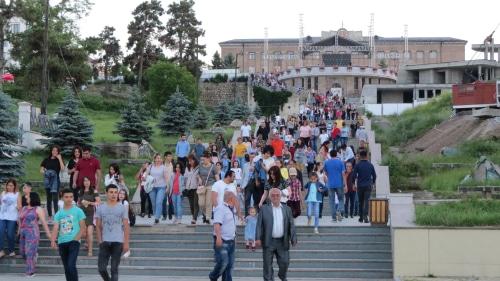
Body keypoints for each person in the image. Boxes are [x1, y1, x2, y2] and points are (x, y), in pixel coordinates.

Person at [255, 188, 297, 281]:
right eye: (273, 195)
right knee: (267, 265)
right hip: (268, 241)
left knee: (285, 262)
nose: (275, 197)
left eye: (277, 195)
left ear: (280, 196)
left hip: (282, 241)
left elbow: (291, 225)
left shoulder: (287, 209)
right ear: (269, 197)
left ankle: (282, 276)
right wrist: (257, 238)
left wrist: (293, 238)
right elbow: (259, 225)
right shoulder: (264, 209)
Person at [96, 184, 130, 281]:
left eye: (115, 192)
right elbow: (98, 226)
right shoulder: (101, 208)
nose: (113, 194)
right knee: (101, 268)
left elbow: (126, 226)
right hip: (105, 241)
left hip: (118, 241)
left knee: (114, 269)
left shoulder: (122, 208)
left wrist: (126, 243)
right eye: (111, 192)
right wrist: (99, 241)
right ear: (106, 193)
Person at [50, 188, 86, 281]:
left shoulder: (78, 211)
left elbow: (83, 227)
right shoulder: (58, 213)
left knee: (71, 265)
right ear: (62, 198)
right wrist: (53, 240)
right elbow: (55, 228)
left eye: (71, 197)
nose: (69, 199)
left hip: (74, 242)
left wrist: (75, 239)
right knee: (66, 268)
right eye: (66, 197)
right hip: (62, 242)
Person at [19, 192, 51, 276]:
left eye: (28, 196)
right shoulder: (24, 208)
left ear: (32, 198)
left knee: (29, 252)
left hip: (32, 233)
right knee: (22, 252)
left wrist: (48, 234)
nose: (26, 197)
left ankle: (30, 272)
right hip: (23, 233)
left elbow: (44, 222)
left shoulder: (38, 209)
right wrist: (19, 231)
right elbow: (20, 220)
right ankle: (34, 256)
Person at [209, 192, 238, 281]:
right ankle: (213, 276)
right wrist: (218, 237)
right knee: (223, 263)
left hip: (231, 241)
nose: (236, 201)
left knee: (229, 266)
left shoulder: (230, 209)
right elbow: (217, 223)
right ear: (231, 199)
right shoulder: (221, 208)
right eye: (235, 199)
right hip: (222, 240)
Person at [40, 145, 65, 220]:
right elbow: (41, 169)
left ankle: (57, 215)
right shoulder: (46, 160)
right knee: (49, 198)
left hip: (56, 181)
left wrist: (60, 158)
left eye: (56, 151)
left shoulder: (58, 160)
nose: (55, 152)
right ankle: (50, 215)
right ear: (51, 151)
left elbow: (63, 169)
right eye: (53, 150)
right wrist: (44, 171)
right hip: (47, 180)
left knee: (55, 198)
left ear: (58, 152)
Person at [352, 150, 377, 223]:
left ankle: (360, 217)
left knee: (360, 202)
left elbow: (354, 176)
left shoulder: (357, 165)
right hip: (368, 186)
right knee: (366, 201)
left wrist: (353, 184)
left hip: (360, 186)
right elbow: (374, 176)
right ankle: (365, 216)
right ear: (366, 156)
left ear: (360, 156)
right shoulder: (370, 165)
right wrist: (373, 183)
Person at [79, 177, 100, 256]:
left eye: (88, 180)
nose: (86, 182)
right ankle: (87, 242)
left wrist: (89, 203)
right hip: (82, 214)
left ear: (91, 182)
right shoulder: (80, 191)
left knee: (90, 233)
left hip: (90, 214)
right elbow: (79, 203)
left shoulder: (94, 191)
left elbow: (98, 202)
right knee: (84, 233)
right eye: (84, 181)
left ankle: (90, 251)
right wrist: (81, 204)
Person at [323, 150, 347, 222]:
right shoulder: (341, 162)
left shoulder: (326, 162)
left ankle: (334, 218)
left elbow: (326, 173)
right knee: (341, 199)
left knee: (331, 201)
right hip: (339, 183)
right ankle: (339, 210)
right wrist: (345, 184)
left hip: (330, 184)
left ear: (330, 154)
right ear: (336, 154)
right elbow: (343, 174)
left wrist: (329, 178)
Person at [0, 179, 20, 258]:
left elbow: (19, 206)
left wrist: (13, 204)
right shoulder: (3, 193)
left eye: (11, 185)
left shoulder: (17, 194)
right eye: (8, 185)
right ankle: (1, 251)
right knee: (1, 233)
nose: (9, 187)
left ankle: (11, 250)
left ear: (14, 186)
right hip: (2, 216)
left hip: (12, 217)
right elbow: (1, 203)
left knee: (10, 234)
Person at [147, 154, 169, 224]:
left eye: (160, 158)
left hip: (161, 187)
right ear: (155, 159)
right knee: (154, 203)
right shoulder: (150, 167)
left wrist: (167, 187)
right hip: (152, 187)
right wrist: (144, 177)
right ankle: (156, 215)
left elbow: (166, 178)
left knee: (159, 202)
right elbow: (146, 175)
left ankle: (157, 218)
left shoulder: (163, 167)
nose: (159, 159)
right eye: (157, 158)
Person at [197, 152, 219, 224]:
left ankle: (208, 218)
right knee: (201, 203)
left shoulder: (213, 167)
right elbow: (198, 174)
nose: (203, 161)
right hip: (202, 186)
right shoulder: (200, 166)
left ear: (209, 159)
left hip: (211, 186)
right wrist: (199, 178)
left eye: (204, 159)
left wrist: (219, 186)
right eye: (202, 160)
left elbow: (217, 177)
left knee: (208, 203)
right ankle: (205, 214)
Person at [184, 155, 200, 224]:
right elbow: (185, 177)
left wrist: (199, 178)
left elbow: (200, 176)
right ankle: (194, 215)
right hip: (189, 188)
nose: (190, 162)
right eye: (189, 161)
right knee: (191, 204)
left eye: (191, 160)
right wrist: (184, 186)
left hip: (196, 188)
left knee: (196, 203)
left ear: (194, 160)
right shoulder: (187, 168)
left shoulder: (198, 168)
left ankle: (194, 218)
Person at [162, 152, 175, 221]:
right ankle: (164, 215)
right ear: (165, 157)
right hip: (163, 185)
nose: (170, 158)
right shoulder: (162, 165)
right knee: (163, 200)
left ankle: (170, 214)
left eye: (171, 156)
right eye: (169, 156)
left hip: (171, 185)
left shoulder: (173, 165)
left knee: (170, 201)